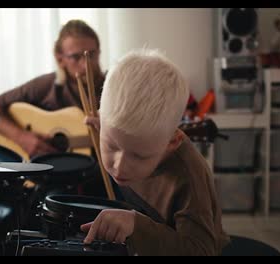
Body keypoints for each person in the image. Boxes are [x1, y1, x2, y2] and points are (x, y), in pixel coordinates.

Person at [81, 49, 230, 256]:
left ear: (172, 142)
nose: (120, 166)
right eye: (112, 145)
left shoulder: (189, 178)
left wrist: (136, 226)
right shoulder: (126, 134)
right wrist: (101, 126)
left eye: (139, 156)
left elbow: (202, 251)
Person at [0, 19, 105, 158]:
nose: (86, 65)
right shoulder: (47, 85)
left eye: (91, 55)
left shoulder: (114, 87)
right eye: (76, 57)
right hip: (52, 174)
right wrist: (21, 137)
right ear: (60, 59)